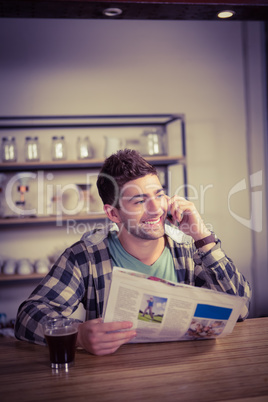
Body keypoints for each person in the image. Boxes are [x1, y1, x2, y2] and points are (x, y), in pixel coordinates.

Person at [15, 149, 251, 355]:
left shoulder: (189, 248)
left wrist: (202, 236)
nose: (156, 209)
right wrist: (77, 335)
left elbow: (240, 307)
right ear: (113, 214)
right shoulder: (85, 257)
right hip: (114, 379)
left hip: (185, 373)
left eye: (159, 195)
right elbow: (27, 316)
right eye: (139, 201)